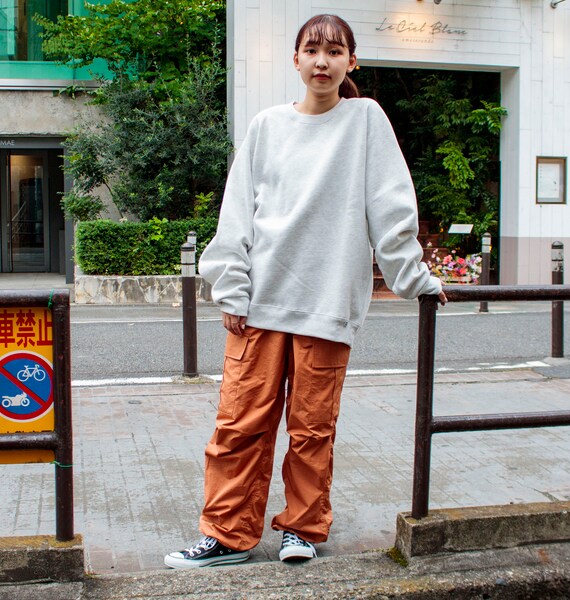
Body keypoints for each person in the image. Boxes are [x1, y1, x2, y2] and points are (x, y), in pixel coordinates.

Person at [164, 13, 447, 569]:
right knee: (238, 426)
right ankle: (227, 535)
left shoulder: (365, 120)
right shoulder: (267, 125)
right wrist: (231, 289)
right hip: (259, 304)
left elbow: (391, 209)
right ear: (295, 59)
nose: (322, 61)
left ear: (351, 61)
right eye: (312, 50)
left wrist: (416, 279)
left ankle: (303, 529)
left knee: (312, 430)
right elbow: (237, 213)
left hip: (326, 305)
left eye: (335, 51)